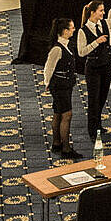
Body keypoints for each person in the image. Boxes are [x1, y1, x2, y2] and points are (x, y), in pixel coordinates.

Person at [33, 16, 79, 158]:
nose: (74, 30)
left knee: (58, 113)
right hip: (60, 86)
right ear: (65, 31)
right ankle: (66, 148)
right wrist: (47, 83)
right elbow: (48, 67)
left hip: (64, 84)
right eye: (72, 28)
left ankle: (57, 143)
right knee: (67, 115)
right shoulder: (57, 49)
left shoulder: (65, 44)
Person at [75, 1, 111, 154]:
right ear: (92, 12)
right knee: (94, 99)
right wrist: (96, 42)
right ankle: (92, 129)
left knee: (103, 97)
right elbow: (81, 52)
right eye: (100, 11)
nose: (103, 13)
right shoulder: (82, 31)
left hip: (106, 66)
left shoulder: (103, 24)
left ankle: (98, 124)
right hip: (93, 69)